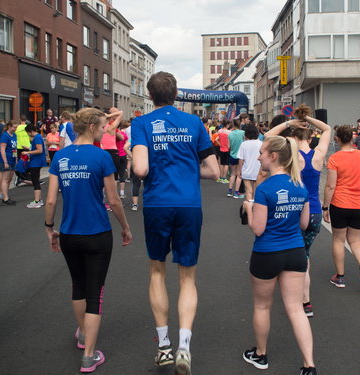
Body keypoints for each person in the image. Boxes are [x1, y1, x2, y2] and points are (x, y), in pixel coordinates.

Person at [131, 71, 219, 375]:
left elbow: (141, 169)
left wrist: (136, 158)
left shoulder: (141, 123)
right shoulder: (194, 123)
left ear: (150, 94)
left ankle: (164, 346)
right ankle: (184, 347)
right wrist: (188, 170)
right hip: (188, 204)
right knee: (187, 276)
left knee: (157, 271)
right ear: (176, 93)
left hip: (157, 203)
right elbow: (214, 170)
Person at [45, 107, 132, 373]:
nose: (106, 130)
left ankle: (83, 333)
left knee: (78, 285)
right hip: (97, 233)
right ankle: (90, 356)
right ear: (93, 127)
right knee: (95, 293)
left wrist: (50, 228)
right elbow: (114, 199)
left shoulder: (60, 156)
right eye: (104, 126)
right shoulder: (102, 157)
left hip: (69, 233)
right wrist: (126, 227)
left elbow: (50, 199)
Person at [242, 136, 316, 375]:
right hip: (295, 252)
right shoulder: (300, 185)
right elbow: (304, 224)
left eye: (262, 152)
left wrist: (249, 209)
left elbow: (258, 229)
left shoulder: (264, 189)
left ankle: (261, 355)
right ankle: (309, 365)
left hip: (267, 253)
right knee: (295, 308)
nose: (258, 156)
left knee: (263, 306)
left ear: (273, 156)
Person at [265, 110, 331, 317]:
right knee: (305, 256)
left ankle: (293, 298)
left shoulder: (292, 156)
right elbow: (327, 129)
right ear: (311, 137)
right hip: (315, 212)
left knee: (291, 255)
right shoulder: (318, 155)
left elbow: (268, 137)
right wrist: (308, 121)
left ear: (293, 137)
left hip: (295, 210)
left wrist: (289, 122)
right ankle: (306, 302)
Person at [322, 125, 360, 289]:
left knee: (339, 239)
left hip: (341, 204)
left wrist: (325, 207)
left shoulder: (335, 158)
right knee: (356, 240)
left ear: (337, 139)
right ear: (352, 139)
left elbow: (330, 186)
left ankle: (340, 276)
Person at [21, 124, 47, 208]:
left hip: (36, 162)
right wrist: (29, 149)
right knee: (35, 180)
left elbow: (39, 150)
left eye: (28, 133)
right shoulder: (38, 137)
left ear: (30, 131)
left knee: (35, 181)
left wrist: (27, 152)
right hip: (36, 161)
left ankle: (37, 201)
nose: (28, 135)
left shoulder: (37, 138)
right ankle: (38, 199)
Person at [237, 124, 262, 201]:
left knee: (248, 191)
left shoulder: (244, 144)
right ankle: (255, 209)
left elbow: (241, 159)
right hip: (258, 170)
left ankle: (248, 210)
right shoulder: (261, 143)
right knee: (255, 191)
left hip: (246, 170)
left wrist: (239, 170)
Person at [0, 120, 18, 205]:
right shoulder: (5, 136)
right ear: (9, 126)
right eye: (14, 127)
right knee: (5, 179)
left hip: (12, 159)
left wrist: (16, 157)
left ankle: (6, 196)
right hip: (5, 160)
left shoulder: (14, 135)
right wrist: (5, 161)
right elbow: (2, 149)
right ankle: (5, 198)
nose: (15, 129)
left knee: (9, 179)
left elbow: (15, 148)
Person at [228, 119, 245, 198]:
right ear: (239, 125)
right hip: (240, 156)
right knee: (239, 174)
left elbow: (229, 146)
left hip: (232, 155)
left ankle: (229, 191)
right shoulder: (243, 133)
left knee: (233, 174)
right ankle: (236, 192)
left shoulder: (230, 134)